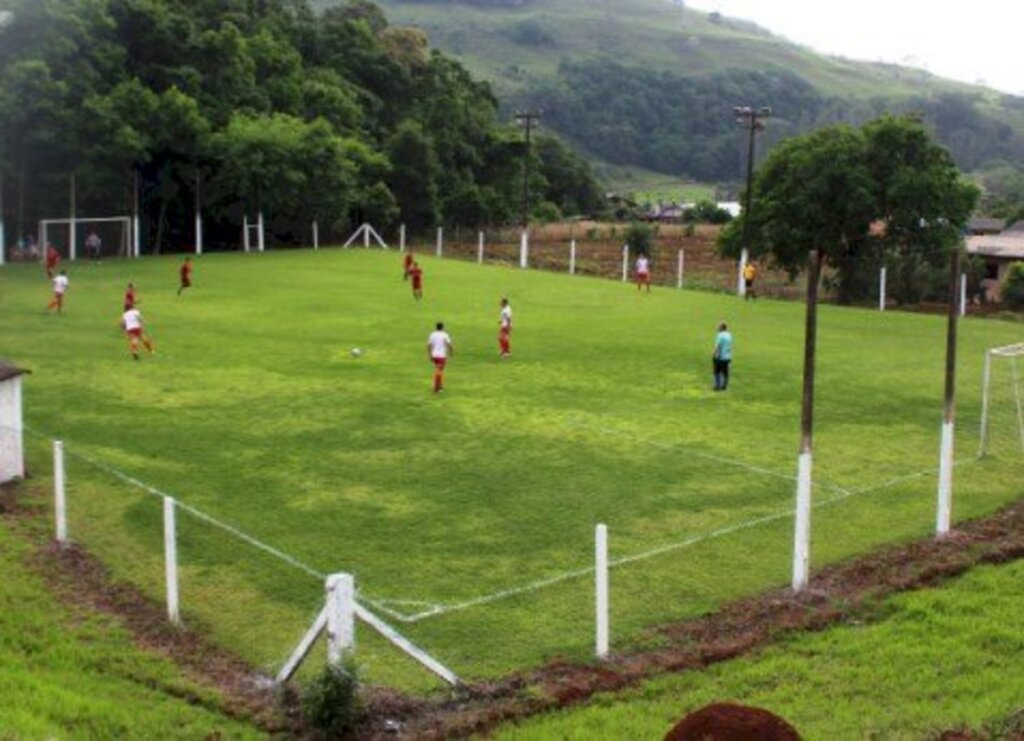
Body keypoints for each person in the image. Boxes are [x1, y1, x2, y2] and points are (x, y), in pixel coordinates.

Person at [427, 321, 453, 393]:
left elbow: (429, 345)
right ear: (442, 327)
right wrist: (451, 353)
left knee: (439, 370)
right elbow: (449, 344)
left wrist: (429, 355)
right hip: (441, 356)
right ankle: (436, 387)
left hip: (434, 355)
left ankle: (440, 386)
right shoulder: (444, 335)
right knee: (439, 371)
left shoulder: (432, 334)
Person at [713, 321, 733, 391]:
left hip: (720, 356)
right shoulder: (729, 335)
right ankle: (724, 386)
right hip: (727, 357)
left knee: (717, 372)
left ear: (721, 328)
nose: (717, 328)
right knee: (725, 373)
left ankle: (717, 386)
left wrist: (714, 353)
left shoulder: (720, 335)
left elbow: (718, 345)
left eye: (719, 326)